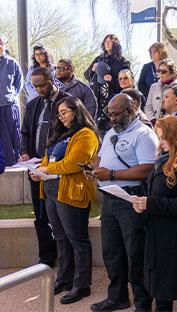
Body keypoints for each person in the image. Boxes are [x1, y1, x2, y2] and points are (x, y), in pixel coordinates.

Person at [90, 94, 158, 312]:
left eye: (115, 114)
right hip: (110, 199)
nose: (111, 118)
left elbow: (147, 168)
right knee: (112, 251)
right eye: (109, 114)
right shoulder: (112, 132)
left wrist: (110, 174)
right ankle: (117, 297)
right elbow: (100, 158)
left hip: (131, 198)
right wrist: (93, 169)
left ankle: (142, 303)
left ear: (130, 111)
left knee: (135, 252)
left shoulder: (143, 134)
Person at [132, 115, 177, 312]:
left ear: (176, 136)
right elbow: (155, 194)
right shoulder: (164, 159)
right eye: (159, 137)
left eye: (164, 137)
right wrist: (142, 204)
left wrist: (151, 204)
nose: (161, 141)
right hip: (159, 232)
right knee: (160, 287)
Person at [30, 96, 100, 304]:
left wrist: (45, 169)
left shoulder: (86, 134)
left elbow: (73, 164)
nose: (61, 117)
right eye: (59, 113)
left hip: (72, 191)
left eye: (65, 112)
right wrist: (38, 171)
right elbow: (47, 157)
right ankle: (65, 279)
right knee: (60, 238)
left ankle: (82, 285)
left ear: (77, 111)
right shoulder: (60, 134)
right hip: (52, 191)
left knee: (77, 239)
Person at [20, 66, 70, 268]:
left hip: (58, 170)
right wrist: (25, 152)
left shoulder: (67, 102)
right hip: (35, 168)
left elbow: (73, 133)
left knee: (60, 218)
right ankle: (46, 258)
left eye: (42, 85)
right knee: (40, 216)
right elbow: (25, 133)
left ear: (52, 80)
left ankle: (68, 262)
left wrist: (51, 161)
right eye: (35, 86)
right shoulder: (32, 105)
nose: (39, 89)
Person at [84, 34, 130, 133]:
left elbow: (127, 81)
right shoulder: (99, 59)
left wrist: (112, 79)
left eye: (110, 41)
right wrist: (92, 70)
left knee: (110, 128)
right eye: (105, 42)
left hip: (113, 98)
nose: (107, 43)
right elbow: (87, 75)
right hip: (97, 98)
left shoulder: (122, 61)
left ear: (115, 44)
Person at [0, 34, 23, 166]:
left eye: (1, 43)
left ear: (5, 45)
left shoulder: (12, 63)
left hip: (9, 106)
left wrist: (11, 96)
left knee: (13, 133)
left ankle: (15, 160)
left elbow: (19, 83)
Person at [145, 59, 177, 125]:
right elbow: (148, 107)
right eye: (159, 71)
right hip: (154, 126)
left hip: (171, 125)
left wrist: (164, 123)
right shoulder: (153, 87)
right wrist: (153, 120)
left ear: (172, 73)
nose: (160, 74)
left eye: (163, 71)